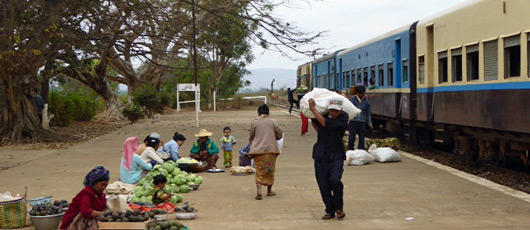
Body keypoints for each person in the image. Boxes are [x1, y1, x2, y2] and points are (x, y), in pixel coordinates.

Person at [309, 97, 348, 220]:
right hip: (321, 154)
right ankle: (330, 210)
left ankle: (339, 207)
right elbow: (315, 123)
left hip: (336, 154)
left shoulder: (343, 118)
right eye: (331, 110)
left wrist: (313, 108)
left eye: (336, 111)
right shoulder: (323, 116)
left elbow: (325, 123)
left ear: (340, 110)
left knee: (335, 180)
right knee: (323, 184)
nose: (333, 113)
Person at [248, 104, 283, 200]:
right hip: (271, 150)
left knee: (259, 170)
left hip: (258, 151)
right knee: (270, 170)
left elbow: (251, 136)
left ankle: (259, 191)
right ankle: (269, 191)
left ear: (258, 112)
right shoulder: (273, 121)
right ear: (268, 112)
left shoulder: (254, 122)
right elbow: (279, 134)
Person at [348, 85, 373, 150]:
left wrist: (370, 124)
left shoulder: (366, 101)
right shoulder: (352, 100)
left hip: (362, 122)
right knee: (351, 139)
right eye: (361, 93)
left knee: (362, 139)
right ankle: (351, 150)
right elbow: (349, 110)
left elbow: (368, 113)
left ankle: (361, 151)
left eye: (363, 93)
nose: (363, 95)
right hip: (353, 121)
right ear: (358, 93)